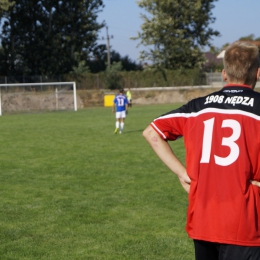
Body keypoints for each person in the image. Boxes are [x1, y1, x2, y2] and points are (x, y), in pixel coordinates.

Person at [143, 41, 260, 260]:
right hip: (245, 223)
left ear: (224, 74)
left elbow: (152, 132)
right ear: (258, 73)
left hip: (204, 220)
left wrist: (181, 173)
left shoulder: (196, 107)